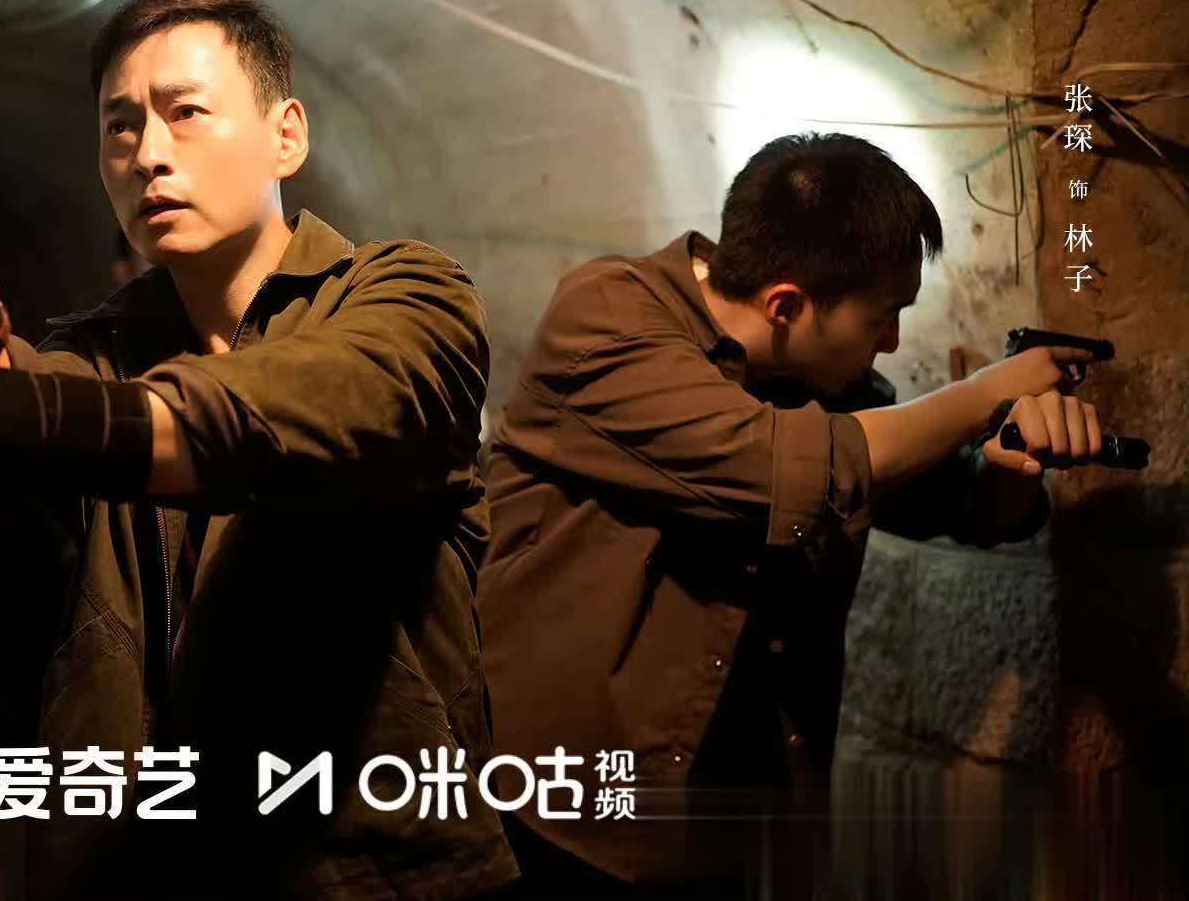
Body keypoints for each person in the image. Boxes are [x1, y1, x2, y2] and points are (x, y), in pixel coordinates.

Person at [0, 0, 518, 899]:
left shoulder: (410, 298)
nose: (148, 154)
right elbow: (53, 397)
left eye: (186, 112)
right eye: (119, 127)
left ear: (286, 136)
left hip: (368, 869)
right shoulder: (105, 347)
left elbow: (282, 409)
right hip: (137, 863)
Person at [473, 133, 1113, 895]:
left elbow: (958, 500)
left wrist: (1014, 455)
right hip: (563, 814)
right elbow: (794, 464)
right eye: (882, 317)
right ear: (786, 305)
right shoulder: (608, 320)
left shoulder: (816, 378)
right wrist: (988, 392)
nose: (892, 342)